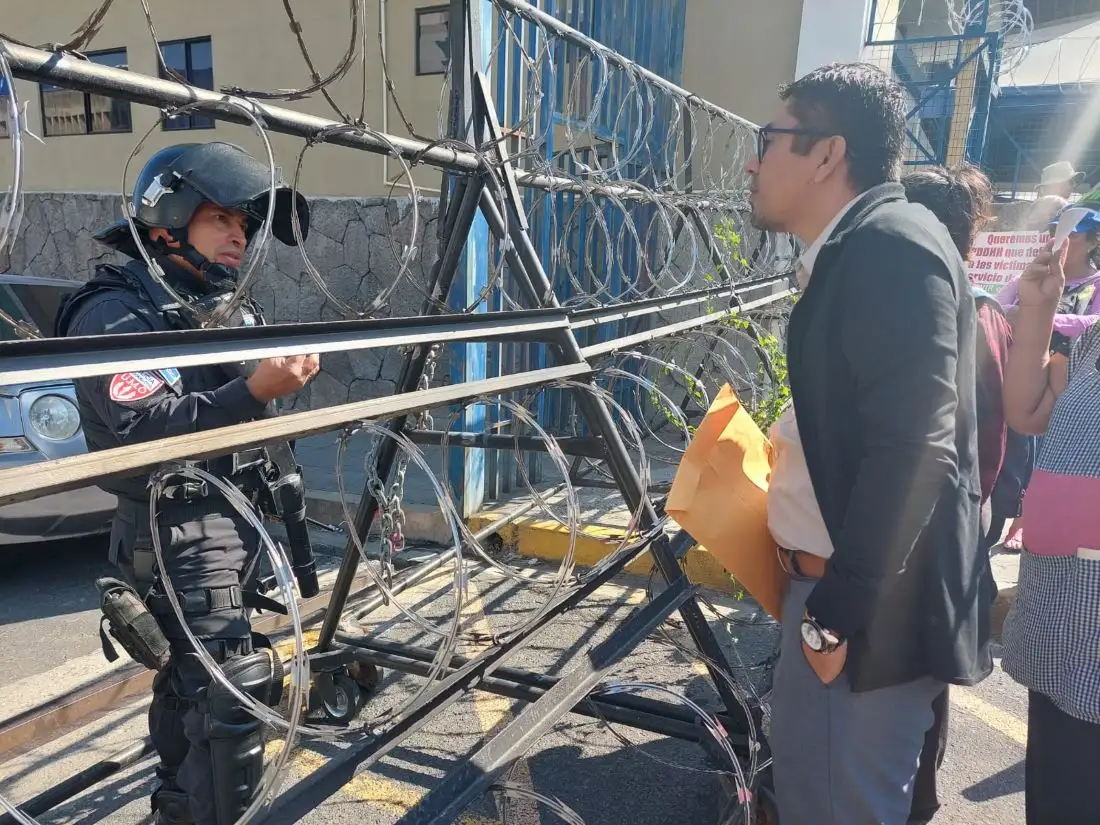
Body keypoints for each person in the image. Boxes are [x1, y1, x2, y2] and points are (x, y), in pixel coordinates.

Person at [747, 63, 994, 825]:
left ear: (827, 153)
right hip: (848, 604)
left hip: (861, 619)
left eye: (768, 139)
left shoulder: (888, 245)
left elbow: (916, 447)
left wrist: (837, 613)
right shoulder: (869, 243)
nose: (754, 162)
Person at [54, 141, 320, 825]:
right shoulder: (114, 311)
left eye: (245, 225)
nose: (240, 236)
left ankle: (178, 808)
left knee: (193, 687)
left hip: (228, 523)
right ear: (169, 218)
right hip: (175, 530)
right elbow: (144, 427)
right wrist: (254, 390)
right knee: (231, 696)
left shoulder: (211, 304)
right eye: (221, 219)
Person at [901, 164, 1012, 824]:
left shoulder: (941, 309)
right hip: (962, 514)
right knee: (931, 666)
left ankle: (912, 796)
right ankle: (918, 792)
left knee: (911, 667)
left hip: (929, 520)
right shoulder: (982, 308)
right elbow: (997, 432)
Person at [999, 238, 1100, 825]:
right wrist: (1039, 309)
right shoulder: (1091, 346)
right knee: (1058, 791)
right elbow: (1028, 410)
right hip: (1063, 627)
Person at [992, 205, 1100, 551]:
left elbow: (1089, 322)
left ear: (1092, 242)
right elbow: (1028, 413)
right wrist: (1036, 310)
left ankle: (1021, 519)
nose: (1060, 239)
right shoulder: (1033, 282)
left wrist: (1043, 317)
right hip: (1026, 374)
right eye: (1055, 231)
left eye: (1072, 234)